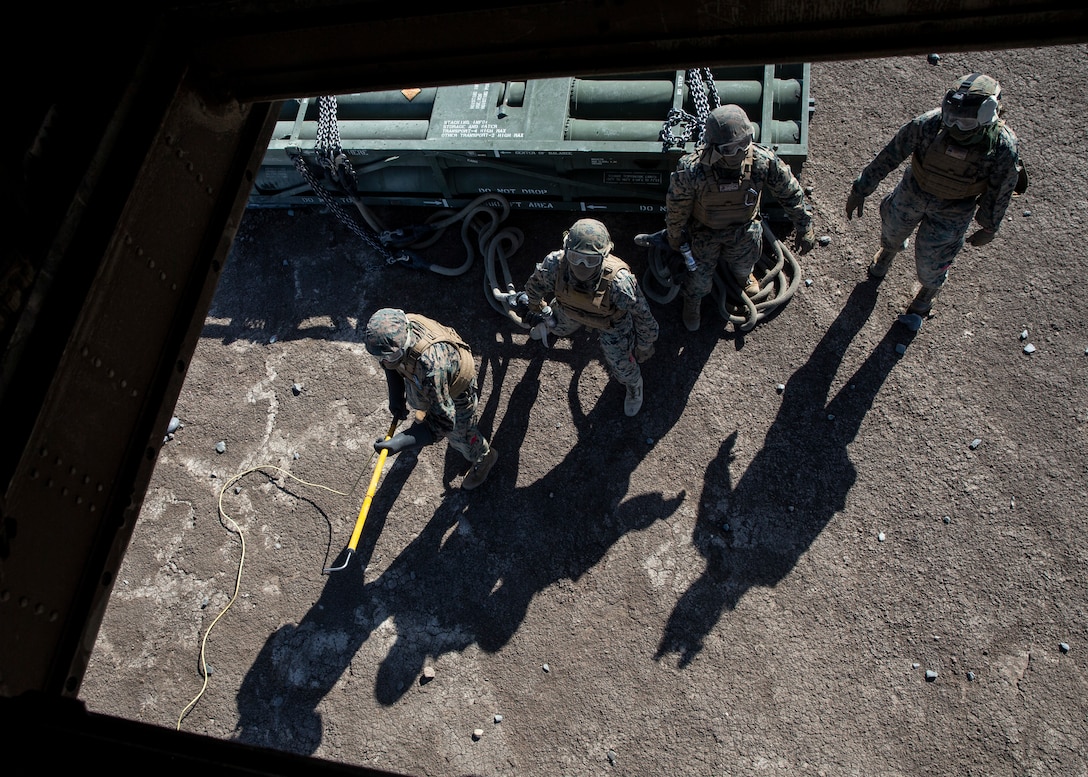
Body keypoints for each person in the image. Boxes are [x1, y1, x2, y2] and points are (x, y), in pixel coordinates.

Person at [846, 72, 1023, 317]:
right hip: (913, 192)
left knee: (934, 260)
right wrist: (862, 187)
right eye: (952, 119)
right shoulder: (930, 124)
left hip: (953, 210)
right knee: (892, 230)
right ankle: (888, 252)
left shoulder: (1002, 146)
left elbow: (1001, 189)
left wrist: (989, 226)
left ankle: (928, 291)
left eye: (965, 122)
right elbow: (892, 153)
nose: (956, 127)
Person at [657, 103, 816, 331]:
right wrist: (674, 236)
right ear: (715, 147)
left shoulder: (762, 161)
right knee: (699, 279)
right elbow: (676, 206)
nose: (740, 151)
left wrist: (804, 225)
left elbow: (789, 191)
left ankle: (743, 277)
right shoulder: (693, 170)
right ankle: (693, 300)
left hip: (744, 230)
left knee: (745, 262)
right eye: (731, 148)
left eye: (744, 143)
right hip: (705, 232)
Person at [522, 218, 659, 417]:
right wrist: (538, 309)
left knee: (622, 366)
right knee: (556, 326)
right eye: (576, 257)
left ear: (604, 256)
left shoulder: (619, 283)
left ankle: (634, 385)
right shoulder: (555, 264)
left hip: (612, 323)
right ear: (566, 250)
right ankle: (550, 327)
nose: (582, 266)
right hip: (569, 311)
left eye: (591, 260)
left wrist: (645, 345)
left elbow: (643, 316)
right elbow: (534, 288)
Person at [363, 308, 498, 490]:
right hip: (425, 379)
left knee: (461, 435)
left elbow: (444, 422)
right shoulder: (398, 329)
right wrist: (396, 396)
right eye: (380, 357)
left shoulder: (431, 369)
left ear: (402, 346)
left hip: (455, 390)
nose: (383, 362)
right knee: (417, 399)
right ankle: (427, 412)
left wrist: (400, 442)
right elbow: (391, 363)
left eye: (388, 357)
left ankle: (484, 458)